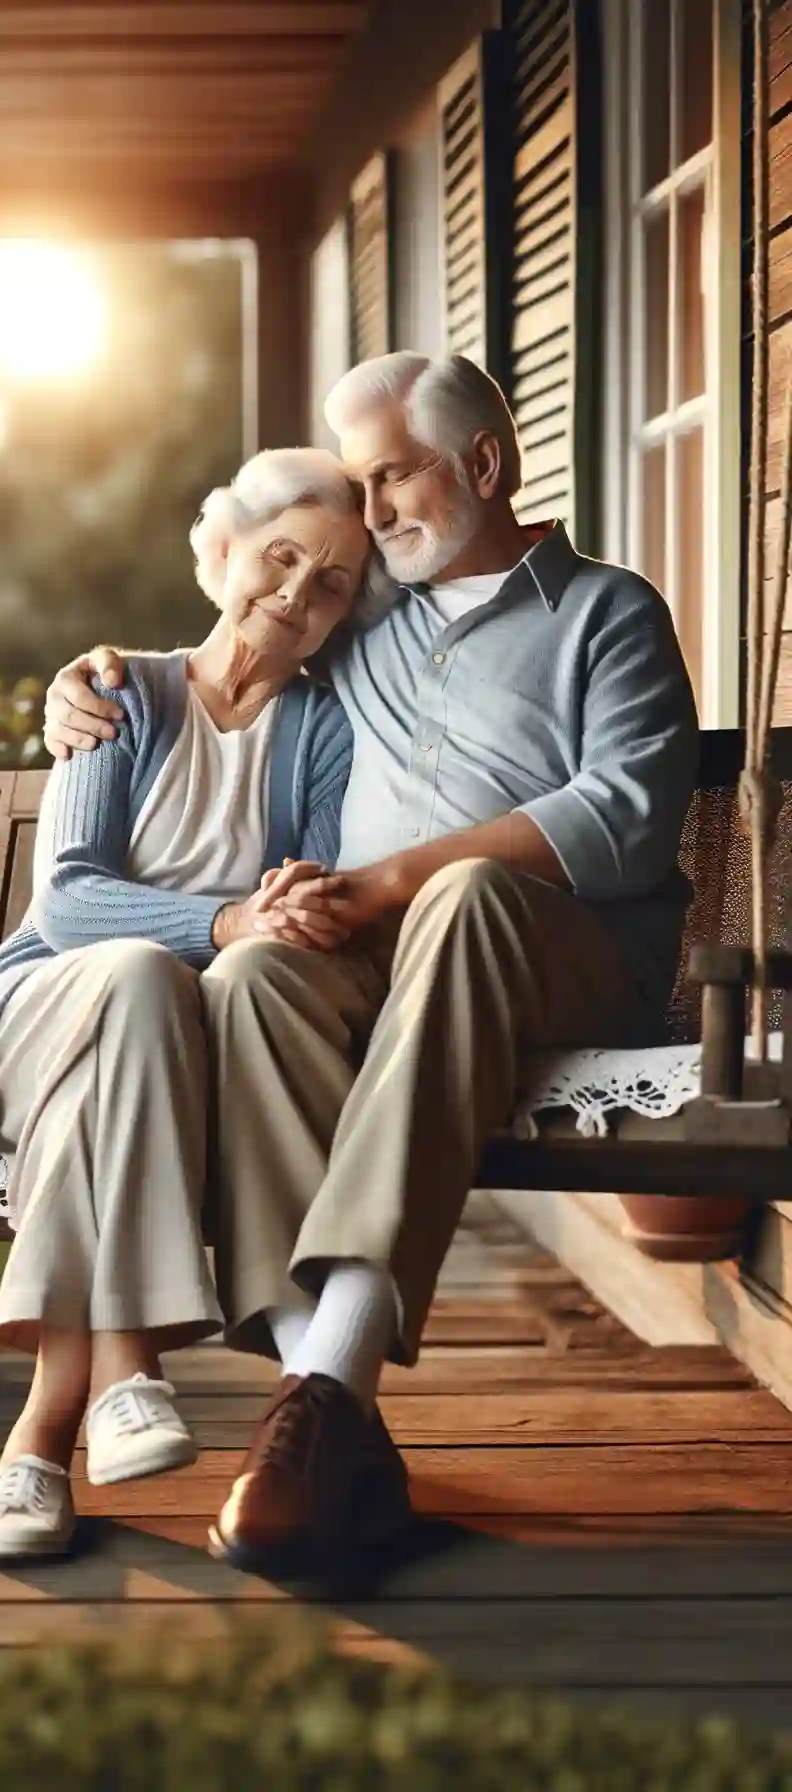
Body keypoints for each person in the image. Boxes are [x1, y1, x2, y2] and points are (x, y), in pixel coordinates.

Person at [42, 351, 700, 1583]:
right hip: (380, 956)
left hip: (566, 957)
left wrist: (394, 877)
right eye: (360, 483)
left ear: (485, 466)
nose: (373, 510)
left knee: (457, 893)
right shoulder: (369, 612)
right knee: (251, 978)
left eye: (391, 476)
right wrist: (89, 686)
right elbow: (243, 622)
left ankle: (315, 1397)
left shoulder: (607, 614)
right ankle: (328, 1400)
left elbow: (624, 818)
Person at [0, 446, 404, 1562]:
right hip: (38, 1010)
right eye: (279, 556)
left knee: (143, 1008)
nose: (294, 594)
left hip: (159, 1053)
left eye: (330, 581)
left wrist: (273, 915)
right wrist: (229, 922)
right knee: (141, 972)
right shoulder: (114, 690)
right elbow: (71, 901)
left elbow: (307, 894)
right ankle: (125, 1370)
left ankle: (38, 1443)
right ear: (220, 551)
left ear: (346, 610)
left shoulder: (325, 731)